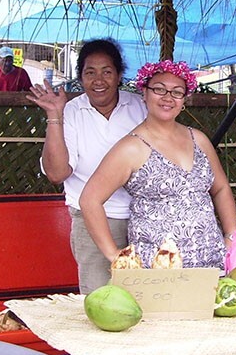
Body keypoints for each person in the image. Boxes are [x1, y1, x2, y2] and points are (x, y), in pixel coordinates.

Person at [80, 60, 236, 270]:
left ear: (184, 99)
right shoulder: (131, 148)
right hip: (158, 273)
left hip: (212, 265)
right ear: (144, 94)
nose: (167, 98)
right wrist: (114, 254)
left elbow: (221, 188)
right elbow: (90, 200)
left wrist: (231, 236)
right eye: (159, 89)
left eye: (176, 92)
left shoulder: (198, 139)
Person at [27, 39, 148, 293]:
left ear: (119, 75)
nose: (99, 80)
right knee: (99, 296)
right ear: (80, 77)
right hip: (94, 219)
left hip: (145, 216)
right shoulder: (70, 111)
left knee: (148, 296)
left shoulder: (141, 106)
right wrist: (54, 116)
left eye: (107, 71)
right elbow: (57, 173)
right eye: (90, 72)